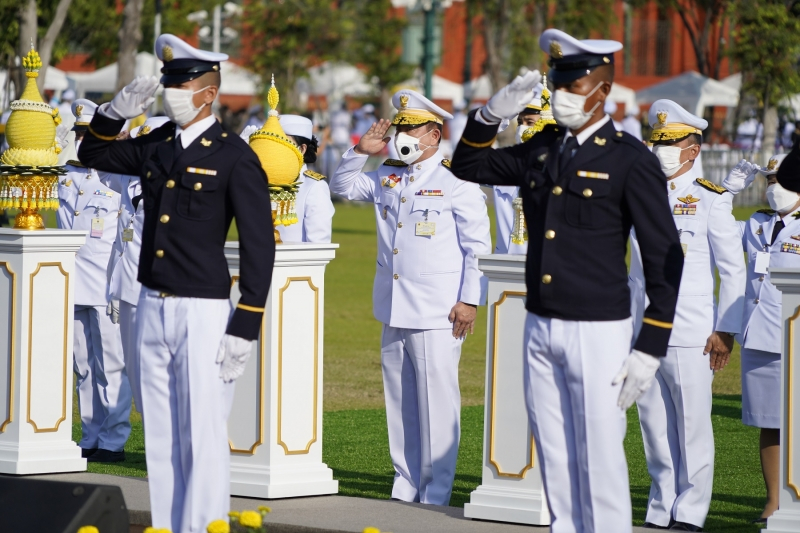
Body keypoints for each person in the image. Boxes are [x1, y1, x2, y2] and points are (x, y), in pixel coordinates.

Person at [450, 28, 683, 532]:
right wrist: (491, 115)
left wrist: (652, 343)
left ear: (602, 90)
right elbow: (468, 165)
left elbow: (667, 254)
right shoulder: (541, 148)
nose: (561, 96)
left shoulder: (628, 157)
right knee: (554, 459)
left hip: (598, 328)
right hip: (541, 322)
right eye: (557, 85)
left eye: (572, 87)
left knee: (598, 460)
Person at [78, 34, 275, 533]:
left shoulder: (234, 155)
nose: (171, 93)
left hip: (203, 309)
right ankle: (169, 526)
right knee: (162, 434)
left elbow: (258, 245)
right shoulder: (157, 144)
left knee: (203, 432)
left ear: (208, 92)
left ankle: (205, 526)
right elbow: (93, 153)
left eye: (181, 84)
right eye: (168, 83)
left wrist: (246, 322)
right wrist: (114, 113)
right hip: (151, 301)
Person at [330, 89, 491, 505]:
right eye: (399, 127)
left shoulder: (457, 178)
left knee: (437, 405)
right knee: (400, 402)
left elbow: (478, 247)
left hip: (440, 310)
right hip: (393, 303)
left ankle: (436, 490)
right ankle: (405, 483)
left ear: (434, 134)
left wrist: (470, 300)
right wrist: (358, 151)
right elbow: (343, 186)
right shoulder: (388, 172)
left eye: (411, 128)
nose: (402, 134)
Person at [629, 100, 745, 531]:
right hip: (643, 328)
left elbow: (733, 270)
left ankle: (692, 512)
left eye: (668, 142)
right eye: (655, 141)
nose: (658, 149)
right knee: (653, 426)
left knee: (692, 425)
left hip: (692, 331)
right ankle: (661, 507)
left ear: (692, 149)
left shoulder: (711, 200)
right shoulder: (639, 193)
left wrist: (725, 330)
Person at [57, 98, 131, 463]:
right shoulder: (67, 176)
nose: (84, 141)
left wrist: (120, 285)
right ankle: (90, 435)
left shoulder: (121, 178)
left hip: (104, 284)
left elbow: (126, 237)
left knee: (111, 365)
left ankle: (114, 440)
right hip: (73, 283)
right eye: (80, 134)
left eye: (91, 134)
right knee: (83, 365)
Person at [725, 154, 796, 524]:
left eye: (781, 180)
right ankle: (773, 500)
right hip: (760, 335)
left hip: (796, 336)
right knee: (771, 421)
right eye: (769, 181)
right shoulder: (755, 223)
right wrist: (728, 189)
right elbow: (713, 223)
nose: (774, 188)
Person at [104, 115, 170, 414]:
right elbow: (101, 164)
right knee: (136, 370)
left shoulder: (176, 185)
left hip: (160, 291)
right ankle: (158, 454)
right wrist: (115, 134)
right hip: (128, 288)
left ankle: (173, 452)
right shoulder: (129, 178)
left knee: (162, 372)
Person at [493, 85, 544, 255]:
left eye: (530, 122)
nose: (522, 127)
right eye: (520, 122)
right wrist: (500, 117)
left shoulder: (560, 166)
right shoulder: (505, 163)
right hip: (504, 266)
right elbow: (471, 158)